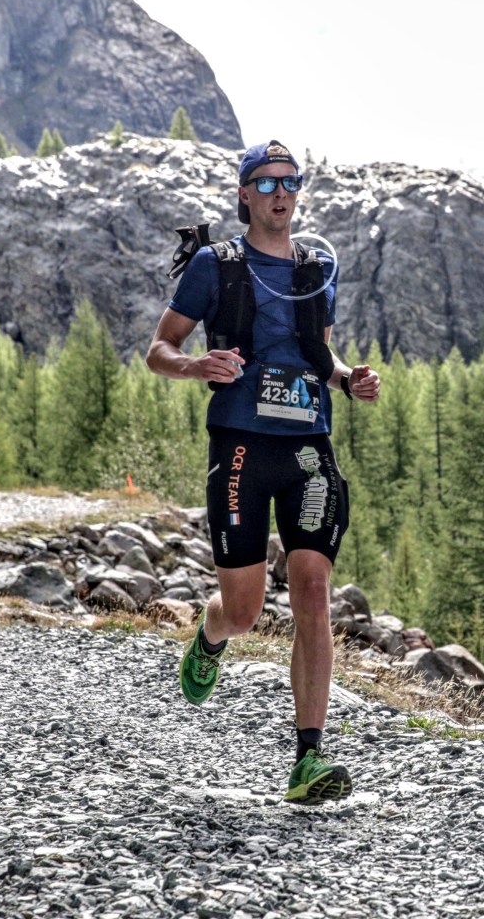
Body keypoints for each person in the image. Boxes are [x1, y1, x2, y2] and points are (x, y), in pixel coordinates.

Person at [146, 138, 380, 804]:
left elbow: (318, 356)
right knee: (246, 612)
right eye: (267, 182)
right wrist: (198, 365)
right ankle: (213, 631)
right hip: (242, 445)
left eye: (290, 181)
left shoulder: (318, 267)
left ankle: (308, 758)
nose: (281, 193)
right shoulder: (213, 267)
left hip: (309, 444)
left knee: (311, 587)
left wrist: (348, 381)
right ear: (244, 193)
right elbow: (159, 349)